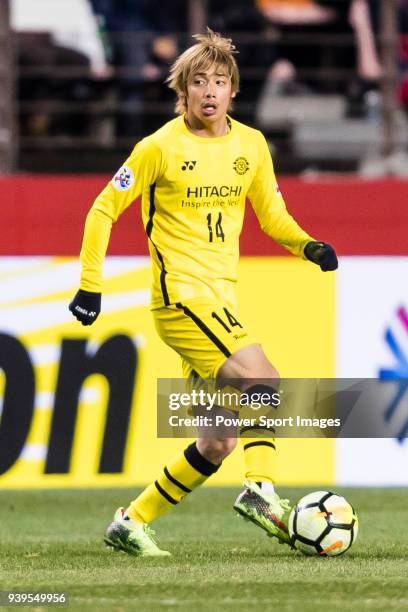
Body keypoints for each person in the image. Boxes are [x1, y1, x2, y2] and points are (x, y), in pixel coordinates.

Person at [68, 28, 338, 557]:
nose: (209, 90)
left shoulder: (252, 146)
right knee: (265, 378)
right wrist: (89, 285)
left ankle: (131, 521)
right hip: (181, 300)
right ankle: (261, 490)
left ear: (233, 90)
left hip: (221, 299)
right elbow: (103, 208)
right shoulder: (159, 147)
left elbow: (273, 216)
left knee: (216, 441)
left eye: (219, 80)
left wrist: (308, 247)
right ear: (183, 90)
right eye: (198, 81)